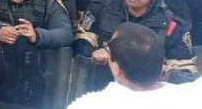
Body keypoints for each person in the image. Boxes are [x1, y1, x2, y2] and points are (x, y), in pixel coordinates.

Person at [74, 0, 197, 84]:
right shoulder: (101, 8)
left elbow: (186, 73)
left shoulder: (172, 26)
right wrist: (92, 53)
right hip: (103, 85)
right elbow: (81, 41)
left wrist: (164, 73)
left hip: (147, 90)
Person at [69, 23, 197, 108]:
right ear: (161, 65)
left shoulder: (89, 105)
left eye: (108, 48)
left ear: (116, 69)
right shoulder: (193, 96)